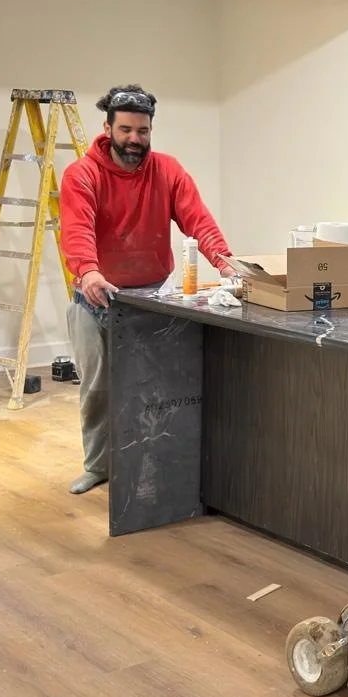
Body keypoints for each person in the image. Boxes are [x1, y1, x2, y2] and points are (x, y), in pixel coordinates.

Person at [59, 84, 235, 495]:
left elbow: (199, 221)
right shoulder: (82, 175)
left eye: (142, 131)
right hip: (95, 297)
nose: (134, 140)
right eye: (125, 130)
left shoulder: (168, 171)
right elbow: (77, 230)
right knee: (99, 387)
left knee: (158, 386)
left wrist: (225, 262)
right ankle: (98, 465)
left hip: (152, 297)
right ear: (107, 127)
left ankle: (155, 465)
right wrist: (88, 272)